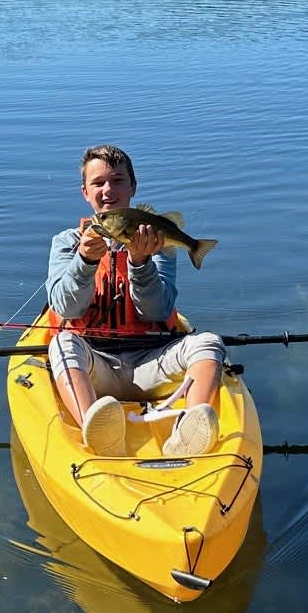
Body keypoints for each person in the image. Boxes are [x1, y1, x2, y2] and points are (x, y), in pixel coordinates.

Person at [45, 144, 224, 458]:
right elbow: (66, 308)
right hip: (94, 367)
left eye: (117, 180)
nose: (108, 190)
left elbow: (158, 310)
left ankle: (190, 431)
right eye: (98, 182)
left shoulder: (159, 243)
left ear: (133, 187)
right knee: (61, 345)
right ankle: (97, 430)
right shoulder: (66, 243)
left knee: (209, 343)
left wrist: (140, 263)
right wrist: (85, 262)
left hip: (151, 362)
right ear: (84, 191)